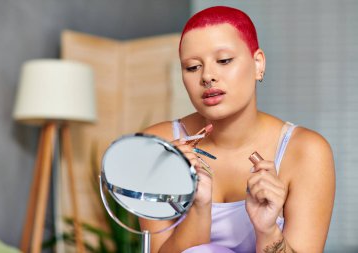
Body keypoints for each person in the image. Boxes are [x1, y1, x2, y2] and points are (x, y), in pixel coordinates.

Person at [139, 6, 335, 253]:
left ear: (258, 64)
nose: (207, 76)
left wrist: (267, 230)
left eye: (223, 61)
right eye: (192, 67)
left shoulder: (306, 152)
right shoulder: (159, 145)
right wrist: (199, 206)